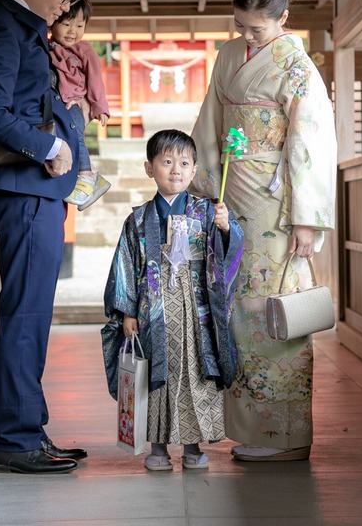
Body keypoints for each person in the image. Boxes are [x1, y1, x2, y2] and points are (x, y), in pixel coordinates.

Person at [190, 0, 336, 462]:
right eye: (240, 25)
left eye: (257, 28)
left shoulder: (297, 65)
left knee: (275, 310)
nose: (246, 36)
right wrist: (204, 186)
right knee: (235, 309)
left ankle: (286, 436)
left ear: (283, 19)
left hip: (277, 202)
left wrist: (306, 219)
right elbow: (210, 118)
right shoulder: (228, 55)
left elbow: (309, 141)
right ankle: (252, 431)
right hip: (232, 196)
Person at [0, 0, 91, 474]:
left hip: (38, 191)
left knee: (33, 317)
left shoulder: (28, 31)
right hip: (23, 189)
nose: (66, 7)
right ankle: (15, 441)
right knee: (25, 315)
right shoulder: (1, 27)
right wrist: (52, 146)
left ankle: (28, 431)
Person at [101, 129, 244, 472]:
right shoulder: (137, 219)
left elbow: (231, 252)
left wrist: (226, 229)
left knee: (194, 373)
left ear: (194, 171)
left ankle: (193, 447)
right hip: (153, 313)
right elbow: (125, 264)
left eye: (183, 163)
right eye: (166, 162)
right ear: (150, 168)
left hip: (196, 312)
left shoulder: (208, 212)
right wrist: (127, 311)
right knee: (156, 376)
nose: (175, 170)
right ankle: (159, 448)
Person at [49, 0, 112, 210]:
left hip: (75, 101)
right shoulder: (47, 47)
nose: (72, 31)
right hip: (60, 103)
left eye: (79, 25)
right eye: (66, 24)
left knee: (76, 136)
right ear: (53, 22)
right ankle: (88, 180)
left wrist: (98, 105)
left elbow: (95, 78)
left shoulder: (84, 49)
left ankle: (86, 175)